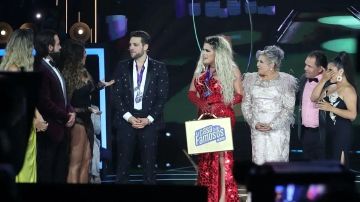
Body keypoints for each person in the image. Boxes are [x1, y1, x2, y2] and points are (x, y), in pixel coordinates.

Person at [188, 35, 242, 202]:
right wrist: (200, 102)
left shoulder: (231, 70)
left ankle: (224, 197)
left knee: (221, 157)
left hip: (223, 116)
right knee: (205, 158)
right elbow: (191, 93)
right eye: (203, 50)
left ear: (218, 53)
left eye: (207, 50)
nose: (203, 53)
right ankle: (209, 195)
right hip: (204, 117)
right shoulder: (201, 71)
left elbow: (239, 95)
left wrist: (223, 103)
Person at [112, 30, 169, 184]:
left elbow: (162, 97)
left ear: (145, 47)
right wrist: (129, 117)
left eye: (135, 45)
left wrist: (148, 119)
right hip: (126, 121)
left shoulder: (159, 67)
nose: (130, 47)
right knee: (122, 167)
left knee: (149, 169)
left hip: (149, 121)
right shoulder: (122, 66)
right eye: (130, 44)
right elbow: (116, 95)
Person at [61, 39, 114, 183]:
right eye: (84, 53)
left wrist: (101, 86)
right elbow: (67, 104)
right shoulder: (68, 76)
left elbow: (87, 93)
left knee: (87, 161)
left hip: (86, 120)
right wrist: (87, 109)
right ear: (77, 56)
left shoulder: (84, 73)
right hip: (77, 122)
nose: (86, 56)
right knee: (75, 164)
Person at [0, 29, 48, 183]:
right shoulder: (13, 70)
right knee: (24, 172)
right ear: (25, 47)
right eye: (30, 46)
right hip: (19, 129)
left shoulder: (16, 69)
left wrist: (39, 118)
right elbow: (18, 104)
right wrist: (35, 120)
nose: (33, 50)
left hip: (24, 128)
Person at [241, 45, 297, 165]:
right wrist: (254, 123)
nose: (257, 65)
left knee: (276, 164)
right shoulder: (250, 80)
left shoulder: (286, 82)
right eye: (258, 61)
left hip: (278, 132)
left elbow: (288, 109)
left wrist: (272, 125)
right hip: (258, 131)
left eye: (261, 62)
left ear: (272, 65)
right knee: (259, 164)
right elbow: (246, 105)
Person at [34, 29, 76, 183]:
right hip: (49, 130)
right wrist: (66, 116)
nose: (61, 47)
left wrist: (71, 111)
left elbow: (63, 96)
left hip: (61, 129)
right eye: (58, 44)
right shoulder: (40, 68)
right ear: (49, 47)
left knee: (59, 173)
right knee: (46, 173)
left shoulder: (54, 67)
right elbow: (44, 102)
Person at [311, 51, 358, 166]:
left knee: (338, 168)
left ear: (341, 71)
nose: (327, 73)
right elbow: (314, 98)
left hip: (341, 133)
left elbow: (352, 115)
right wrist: (323, 81)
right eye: (327, 70)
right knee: (329, 168)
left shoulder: (348, 90)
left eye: (330, 70)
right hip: (328, 133)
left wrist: (330, 108)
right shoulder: (331, 87)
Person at [297, 50, 328, 160]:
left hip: (322, 134)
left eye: (309, 66)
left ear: (320, 69)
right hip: (305, 133)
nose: (305, 68)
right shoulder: (303, 79)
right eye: (306, 64)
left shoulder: (329, 84)